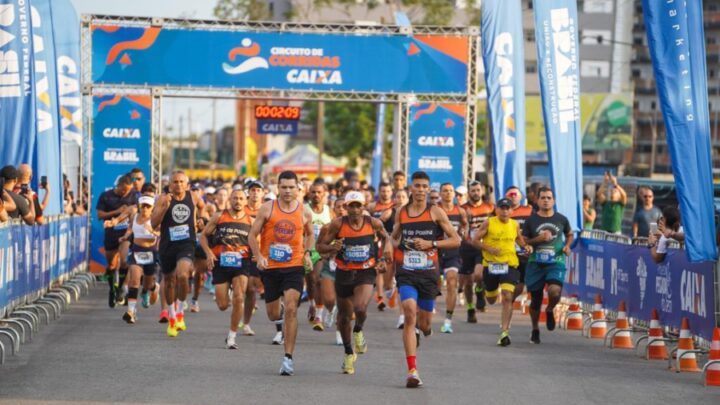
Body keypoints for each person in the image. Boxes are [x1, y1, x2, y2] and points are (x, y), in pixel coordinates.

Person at [391, 171, 461, 388]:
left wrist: (432, 244)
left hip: (429, 273)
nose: (420, 190)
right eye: (417, 186)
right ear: (411, 188)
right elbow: (393, 239)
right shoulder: (401, 213)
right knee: (409, 313)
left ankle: (424, 330)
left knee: (425, 322)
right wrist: (386, 250)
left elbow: (456, 239)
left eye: (424, 187)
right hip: (407, 272)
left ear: (428, 190)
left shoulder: (436, 212)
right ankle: (412, 370)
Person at [317, 191, 393, 374]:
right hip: (343, 272)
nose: (355, 209)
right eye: (352, 205)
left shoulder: (373, 223)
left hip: (366, 272)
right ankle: (348, 353)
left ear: (364, 206)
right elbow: (319, 246)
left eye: (358, 205)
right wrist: (332, 247)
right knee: (343, 317)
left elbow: (386, 238)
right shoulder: (337, 225)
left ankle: (358, 330)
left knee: (359, 307)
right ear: (346, 207)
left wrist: (383, 257)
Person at [248, 171, 315, 376]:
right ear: (278, 188)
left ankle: (288, 358)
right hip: (271, 268)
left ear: (298, 189)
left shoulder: (304, 212)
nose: (287, 191)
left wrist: (307, 254)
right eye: (283, 187)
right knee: (273, 314)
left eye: (291, 187)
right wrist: (259, 256)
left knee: (293, 309)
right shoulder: (267, 209)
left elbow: (311, 233)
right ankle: (282, 307)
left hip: (294, 266)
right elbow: (252, 235)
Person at [151, 171, 205, 337]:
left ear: (187, 184)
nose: (178, 185)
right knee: (169, 281)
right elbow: (153, 224)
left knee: (182, 275)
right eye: (175, 182)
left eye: (182, 182)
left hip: (186, 243)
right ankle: (172, 318)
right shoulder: (163, 199)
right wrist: (164, 208)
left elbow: (202, 207)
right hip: (167, 244)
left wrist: (200, 219)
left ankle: (180, 311)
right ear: (169, 184)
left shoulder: (193, 197)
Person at [473, 198, 532, 346]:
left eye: (508, 208)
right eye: (502, 208)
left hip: (509, 264)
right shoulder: (489, 222)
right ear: (497, 209)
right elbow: (474, 240)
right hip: (491, 265)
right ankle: (481, 288)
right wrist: (489, 249)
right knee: (491, 300)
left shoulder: (514, 224)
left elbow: (519, 240)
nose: (505, 211)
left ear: (512, 211)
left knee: (507, 296)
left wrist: (526, 247)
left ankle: (504, 332)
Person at [200, 189, 254, 349]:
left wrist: (257, 254)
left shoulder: (251, 221)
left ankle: (232, 336)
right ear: (230, 199)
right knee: (223, 305)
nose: (238, 201)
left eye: (241, 198)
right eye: (235, 198)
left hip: (241, 262)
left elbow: (256, 241)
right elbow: (203, 236)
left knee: (239, 297)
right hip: (221, 263)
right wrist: (209, 253)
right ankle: (228, 296)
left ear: (246, 201)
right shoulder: (219, 216)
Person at [523, 187, 573, 344]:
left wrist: (567, 246)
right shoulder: (530, 220)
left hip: (556, 262)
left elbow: (569, 234)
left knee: (555, 291)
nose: (546, 200)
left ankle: (550, 309)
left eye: (549, 198)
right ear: (537, 200)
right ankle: (535, 329)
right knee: (535, 301)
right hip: (535, 263)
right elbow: (524, 241)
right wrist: (538, 239)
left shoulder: (561, 219)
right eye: (543, 197)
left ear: (554, 201)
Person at [119, 195, 160, 324]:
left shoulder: (155, 219)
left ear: (152, 208)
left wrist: (153, 231)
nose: (145, 208)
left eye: (148, 206)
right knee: (134, 279)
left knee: (147, 284)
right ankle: (131, 311)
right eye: (143, 206)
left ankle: (154, 287)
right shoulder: (135, 216)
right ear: (139, 206)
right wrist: (125, 236)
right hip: (137, 250)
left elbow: (162, 232)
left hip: (151, 252)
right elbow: (131, 227)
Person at [96, 175, 136, 308]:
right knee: (112, 266)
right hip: (111, 234)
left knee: (125, 261)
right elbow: (100, 215)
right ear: (118, 185)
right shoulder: (106, 196)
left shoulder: (133, 196)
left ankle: (121, 288)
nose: (126, 193)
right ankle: (112, 289)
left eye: (128, 190)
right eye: (123, 190)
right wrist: (117, 212)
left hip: (125, 234)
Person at [459, 181, 494, 322]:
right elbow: (460, 228)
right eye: (473, 190)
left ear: (482, 191)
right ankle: (470, 308)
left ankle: (480, 291)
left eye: (478, 190)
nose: (476, 193)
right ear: (468, 192)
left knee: (478, 275)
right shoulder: (462, 208)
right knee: (467, 282)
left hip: (482, 247)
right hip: (467, 247)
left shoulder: (490, 207)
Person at [437, 183, 467, 333]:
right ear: (440, 193)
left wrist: (463, 233)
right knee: (432, 286)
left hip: (453, 253)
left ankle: (448, 321)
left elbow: (465, 227)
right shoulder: (434, 210)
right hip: (435, 252)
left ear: (454, 194)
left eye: (450, 191)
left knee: (451, 282)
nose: (448, 193)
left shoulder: (460, 211)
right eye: (445, 191)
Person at [305, 181, 335, 331]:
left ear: (324, 194)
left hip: (321, 251)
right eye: (313, 192)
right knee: (309, 281)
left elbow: (334, 231)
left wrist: (330, 249)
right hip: (306, 250)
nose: (316, 195)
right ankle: (311, 304)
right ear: (309, 193)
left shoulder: (329, 211)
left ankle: (319, 314)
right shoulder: (304, 210)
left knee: (317, 280)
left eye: (319, 192)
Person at [240, 180, 265, 337]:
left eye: (258, 190)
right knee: (244, 288)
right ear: (248, 192)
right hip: (242, 253)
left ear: (263, 193)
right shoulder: (242, 209)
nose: (255, 193)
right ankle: (239, 311)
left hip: (260, 253)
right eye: (253, 190)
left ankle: (246, 323)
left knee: (251, 290)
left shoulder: (267, 210)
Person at [368, 182, 394, 310]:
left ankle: (389, 288)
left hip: (390, 240)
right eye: (383, 191)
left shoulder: (395, 207)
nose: (385, 193)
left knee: (388, 269)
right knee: (379, 269)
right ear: (379, 192)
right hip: (376, 241)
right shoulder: (372, 206)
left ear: (391, 192)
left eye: (388, 191)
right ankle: (379, 297)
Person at [504, 186, 533, 301]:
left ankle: (509, 302)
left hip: (522, 252)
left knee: (520, 286)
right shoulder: (501, 211)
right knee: (504, 283)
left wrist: (530, 245)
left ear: (521, 197)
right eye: (511, 195)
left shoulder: (529, 211)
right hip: (505, 252)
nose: (513, 197)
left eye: (515, 194)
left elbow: (535, 228)